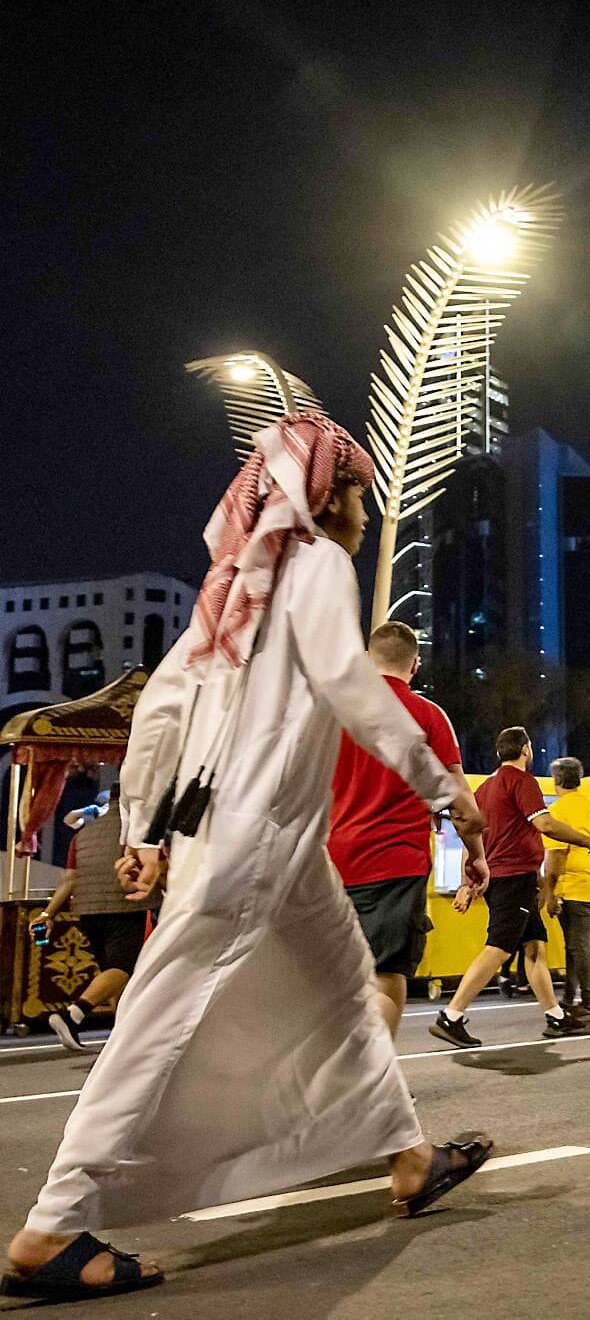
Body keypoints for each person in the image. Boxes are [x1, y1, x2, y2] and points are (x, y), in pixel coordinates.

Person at [5, 416, 493, 1302]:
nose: (362, 508)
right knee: (161, 1015)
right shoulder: (314, 564)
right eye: (355, 490)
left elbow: (158, 716)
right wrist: (442, 787)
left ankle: (411, 1156)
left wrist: (148, 830)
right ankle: (53, 1222)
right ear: (325, 495)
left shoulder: (231, 593)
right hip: (256, 837)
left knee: (347, 985)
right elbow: (352, 682)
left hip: (246, 837)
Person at [328, 620, 482, 1035]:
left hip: (328, 865)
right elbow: (459, 795)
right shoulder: (428, 716)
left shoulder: (335, 711)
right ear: (416, 664)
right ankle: (374, 1087)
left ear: (365, 661)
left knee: (331, 982)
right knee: (384, 976)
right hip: (396, 864)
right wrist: (476, 854)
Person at [429, 727, 590, 1047]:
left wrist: (466, 883)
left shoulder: (485, 788)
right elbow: (545, 825)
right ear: (526, 749)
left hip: (506, 877)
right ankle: (451, 1016)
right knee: (498, 946)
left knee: (535, 945)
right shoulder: (521, 781)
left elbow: (473, 837)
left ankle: (555, 1016)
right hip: (513, 877)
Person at [31, 811, 154, 1054]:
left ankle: (121, 1034)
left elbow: (69, 879)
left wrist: (48, 914)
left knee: (111, 972)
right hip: (125, 906)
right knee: (124, 968)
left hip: (87, 911)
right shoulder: (139, 827)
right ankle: (73, 1014)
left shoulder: (84, 833)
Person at [542, 756, 590, 1020]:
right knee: (577, 943)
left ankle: (589, 1002)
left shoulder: (558, 812)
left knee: (580, 944)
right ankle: (568, 997)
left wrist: (549, 894)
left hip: (572, 886)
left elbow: (556, 858)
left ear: (557, 781)